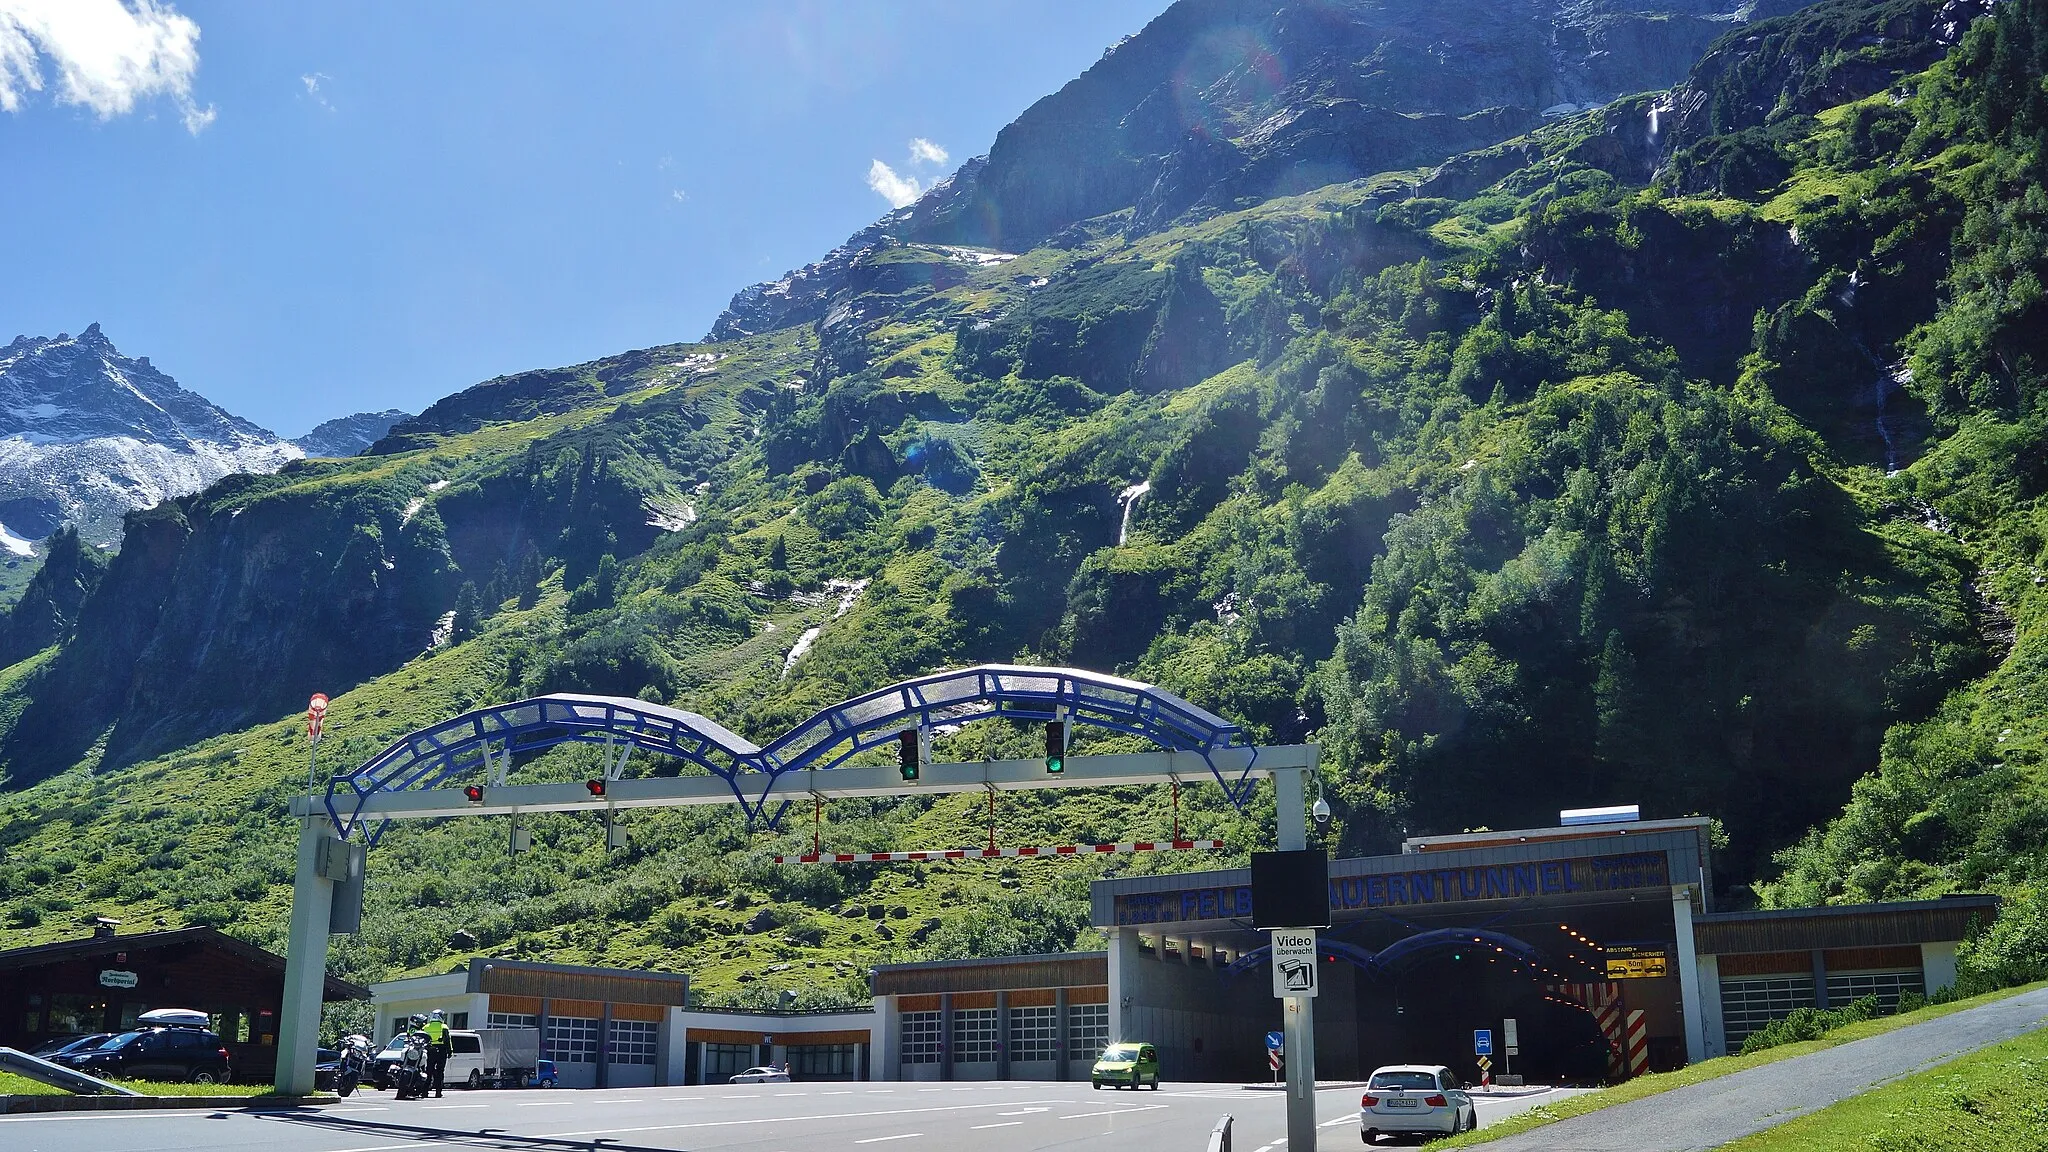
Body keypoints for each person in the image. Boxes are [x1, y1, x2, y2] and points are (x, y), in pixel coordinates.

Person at [421, 1010, 450, 1097]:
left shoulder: (425, 1027)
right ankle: (438, 1092)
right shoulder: (444, 1027)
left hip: (428, 1050)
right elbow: (447, 1041)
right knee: (440, 1072)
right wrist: (450, 1051)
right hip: (441, 1051)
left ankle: (424, 1092)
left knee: (428, 1071)